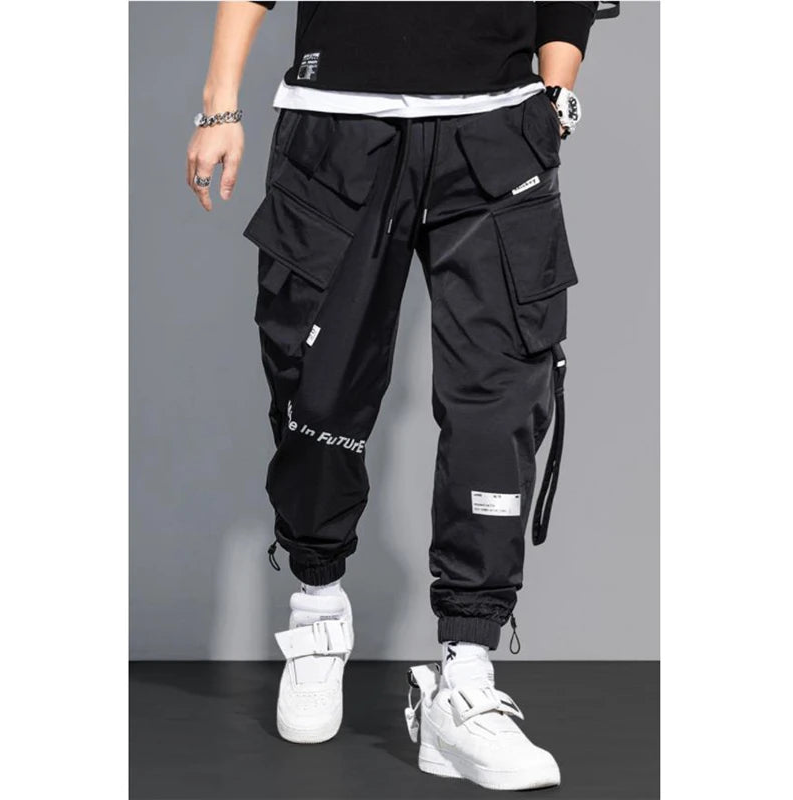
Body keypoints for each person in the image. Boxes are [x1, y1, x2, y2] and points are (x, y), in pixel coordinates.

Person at [187, 1, 618, 790]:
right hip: (337, 125)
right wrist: (220, 105)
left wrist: (557, 91)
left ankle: (465, 677)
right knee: (317, 388)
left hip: (497, 126)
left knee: (501, 397)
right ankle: (318, 609)